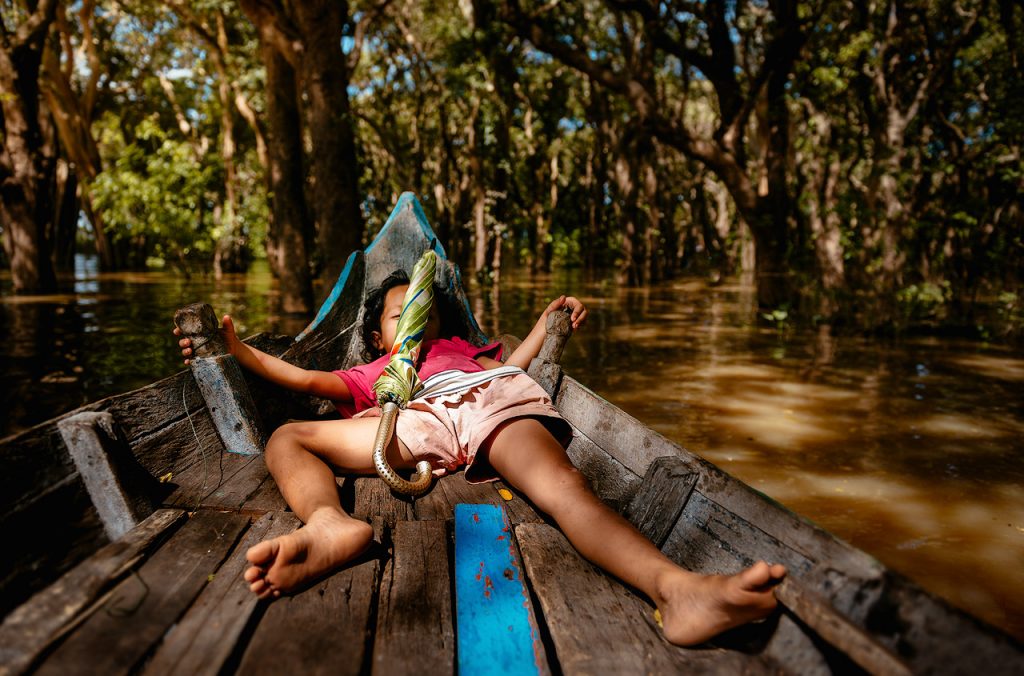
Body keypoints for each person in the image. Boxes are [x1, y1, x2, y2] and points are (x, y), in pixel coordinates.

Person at [173, 272, 786, 646]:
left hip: (487, 402)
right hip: (411, 420)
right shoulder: (376, 372)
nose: (416, 320)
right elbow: (304, 379)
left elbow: (516, 368)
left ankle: (675, 589)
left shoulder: (469, 353)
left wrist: (549, 322)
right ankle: (330, 524)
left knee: (565, 491)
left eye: (427, 311)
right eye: (398, 314)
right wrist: (239, 352)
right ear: (381, 335)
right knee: (287, 437)